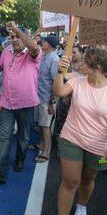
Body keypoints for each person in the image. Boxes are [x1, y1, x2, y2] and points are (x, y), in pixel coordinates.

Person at [51, 48, 107, 215]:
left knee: (88, 179)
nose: (81, 64)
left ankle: (82, 205)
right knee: (70, 181)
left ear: (97, 68)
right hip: (71, 139)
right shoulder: (77, 80)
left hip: (100, 147)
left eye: (85, 62)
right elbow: (59, 91)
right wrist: (60, 72)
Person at [0, 22, 41, 188]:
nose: (15, 40)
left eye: (18, 37)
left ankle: (20, 158)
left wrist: (16, 29)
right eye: (12, 37)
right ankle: (1, 174)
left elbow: (32, 45)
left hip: (26, 103)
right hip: (7, 102)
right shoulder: (7, 52)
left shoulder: (33, 53)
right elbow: (0, 66)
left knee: (23, 136)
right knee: (4, 138)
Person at [35, 34, 59, 162]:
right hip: (40, 97)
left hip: (46, 99)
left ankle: (46, 152)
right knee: (41, 124)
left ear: (48, 45)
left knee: (45, 126)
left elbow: (56, 82)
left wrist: (52, 102)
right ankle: (41, 144)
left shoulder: (54, 59)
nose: (41, 43)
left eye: (43, 42)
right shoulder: (45, 56)